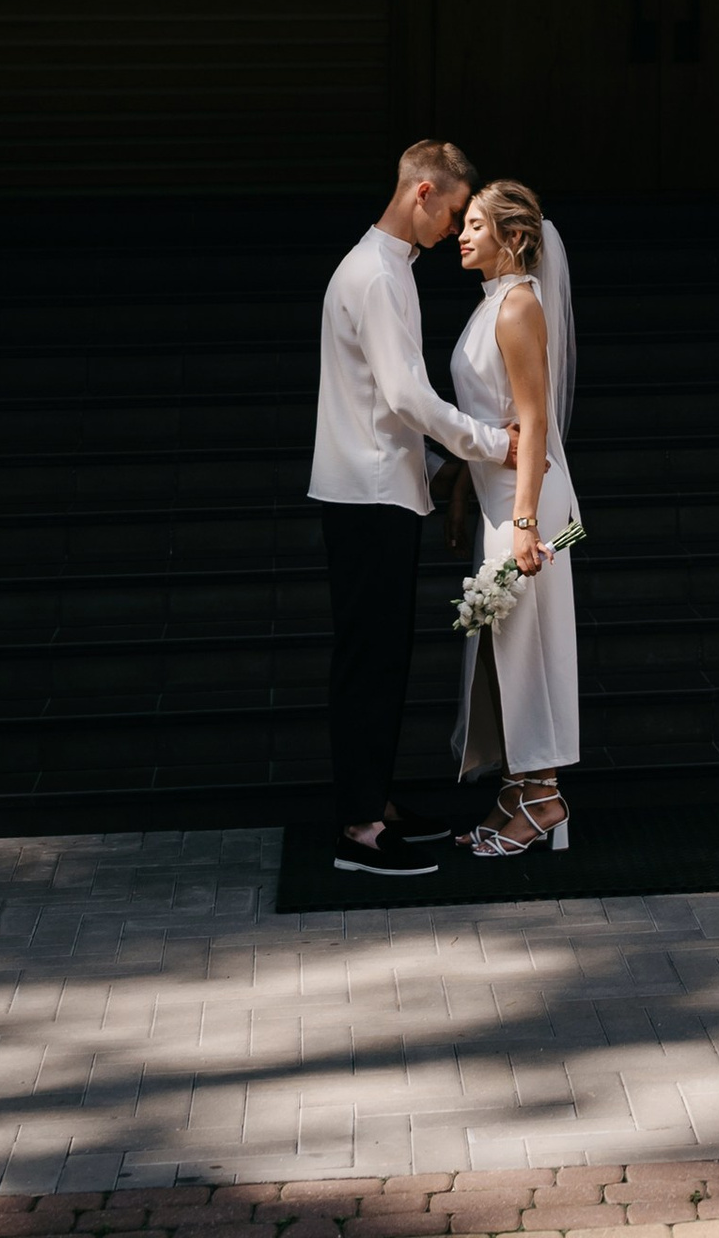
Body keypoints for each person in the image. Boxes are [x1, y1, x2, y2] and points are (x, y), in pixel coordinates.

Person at [308, 134, 514, 879]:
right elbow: (403, 397)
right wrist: (490, 444)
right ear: (423, 191)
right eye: (453, 211)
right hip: (367, 497)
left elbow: (377, 403)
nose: (456, 229)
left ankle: (374, 801)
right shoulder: (378, 276)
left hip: (373, 486)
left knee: (377, 656)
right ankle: (361, 831)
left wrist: (435, 469)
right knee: (370, 660)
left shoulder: (381, 268)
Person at [448, 177, 581, 858]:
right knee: (504, 650)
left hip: (528, 504)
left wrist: (526, 522)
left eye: (476, 223)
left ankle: (545, 798)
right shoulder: (491, 304)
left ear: (516, 238)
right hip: (502, 498)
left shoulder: (516, 307)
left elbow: (533, 420)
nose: (462, 233)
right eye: (463, 222)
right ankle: (518, 788)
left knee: (529, 649)